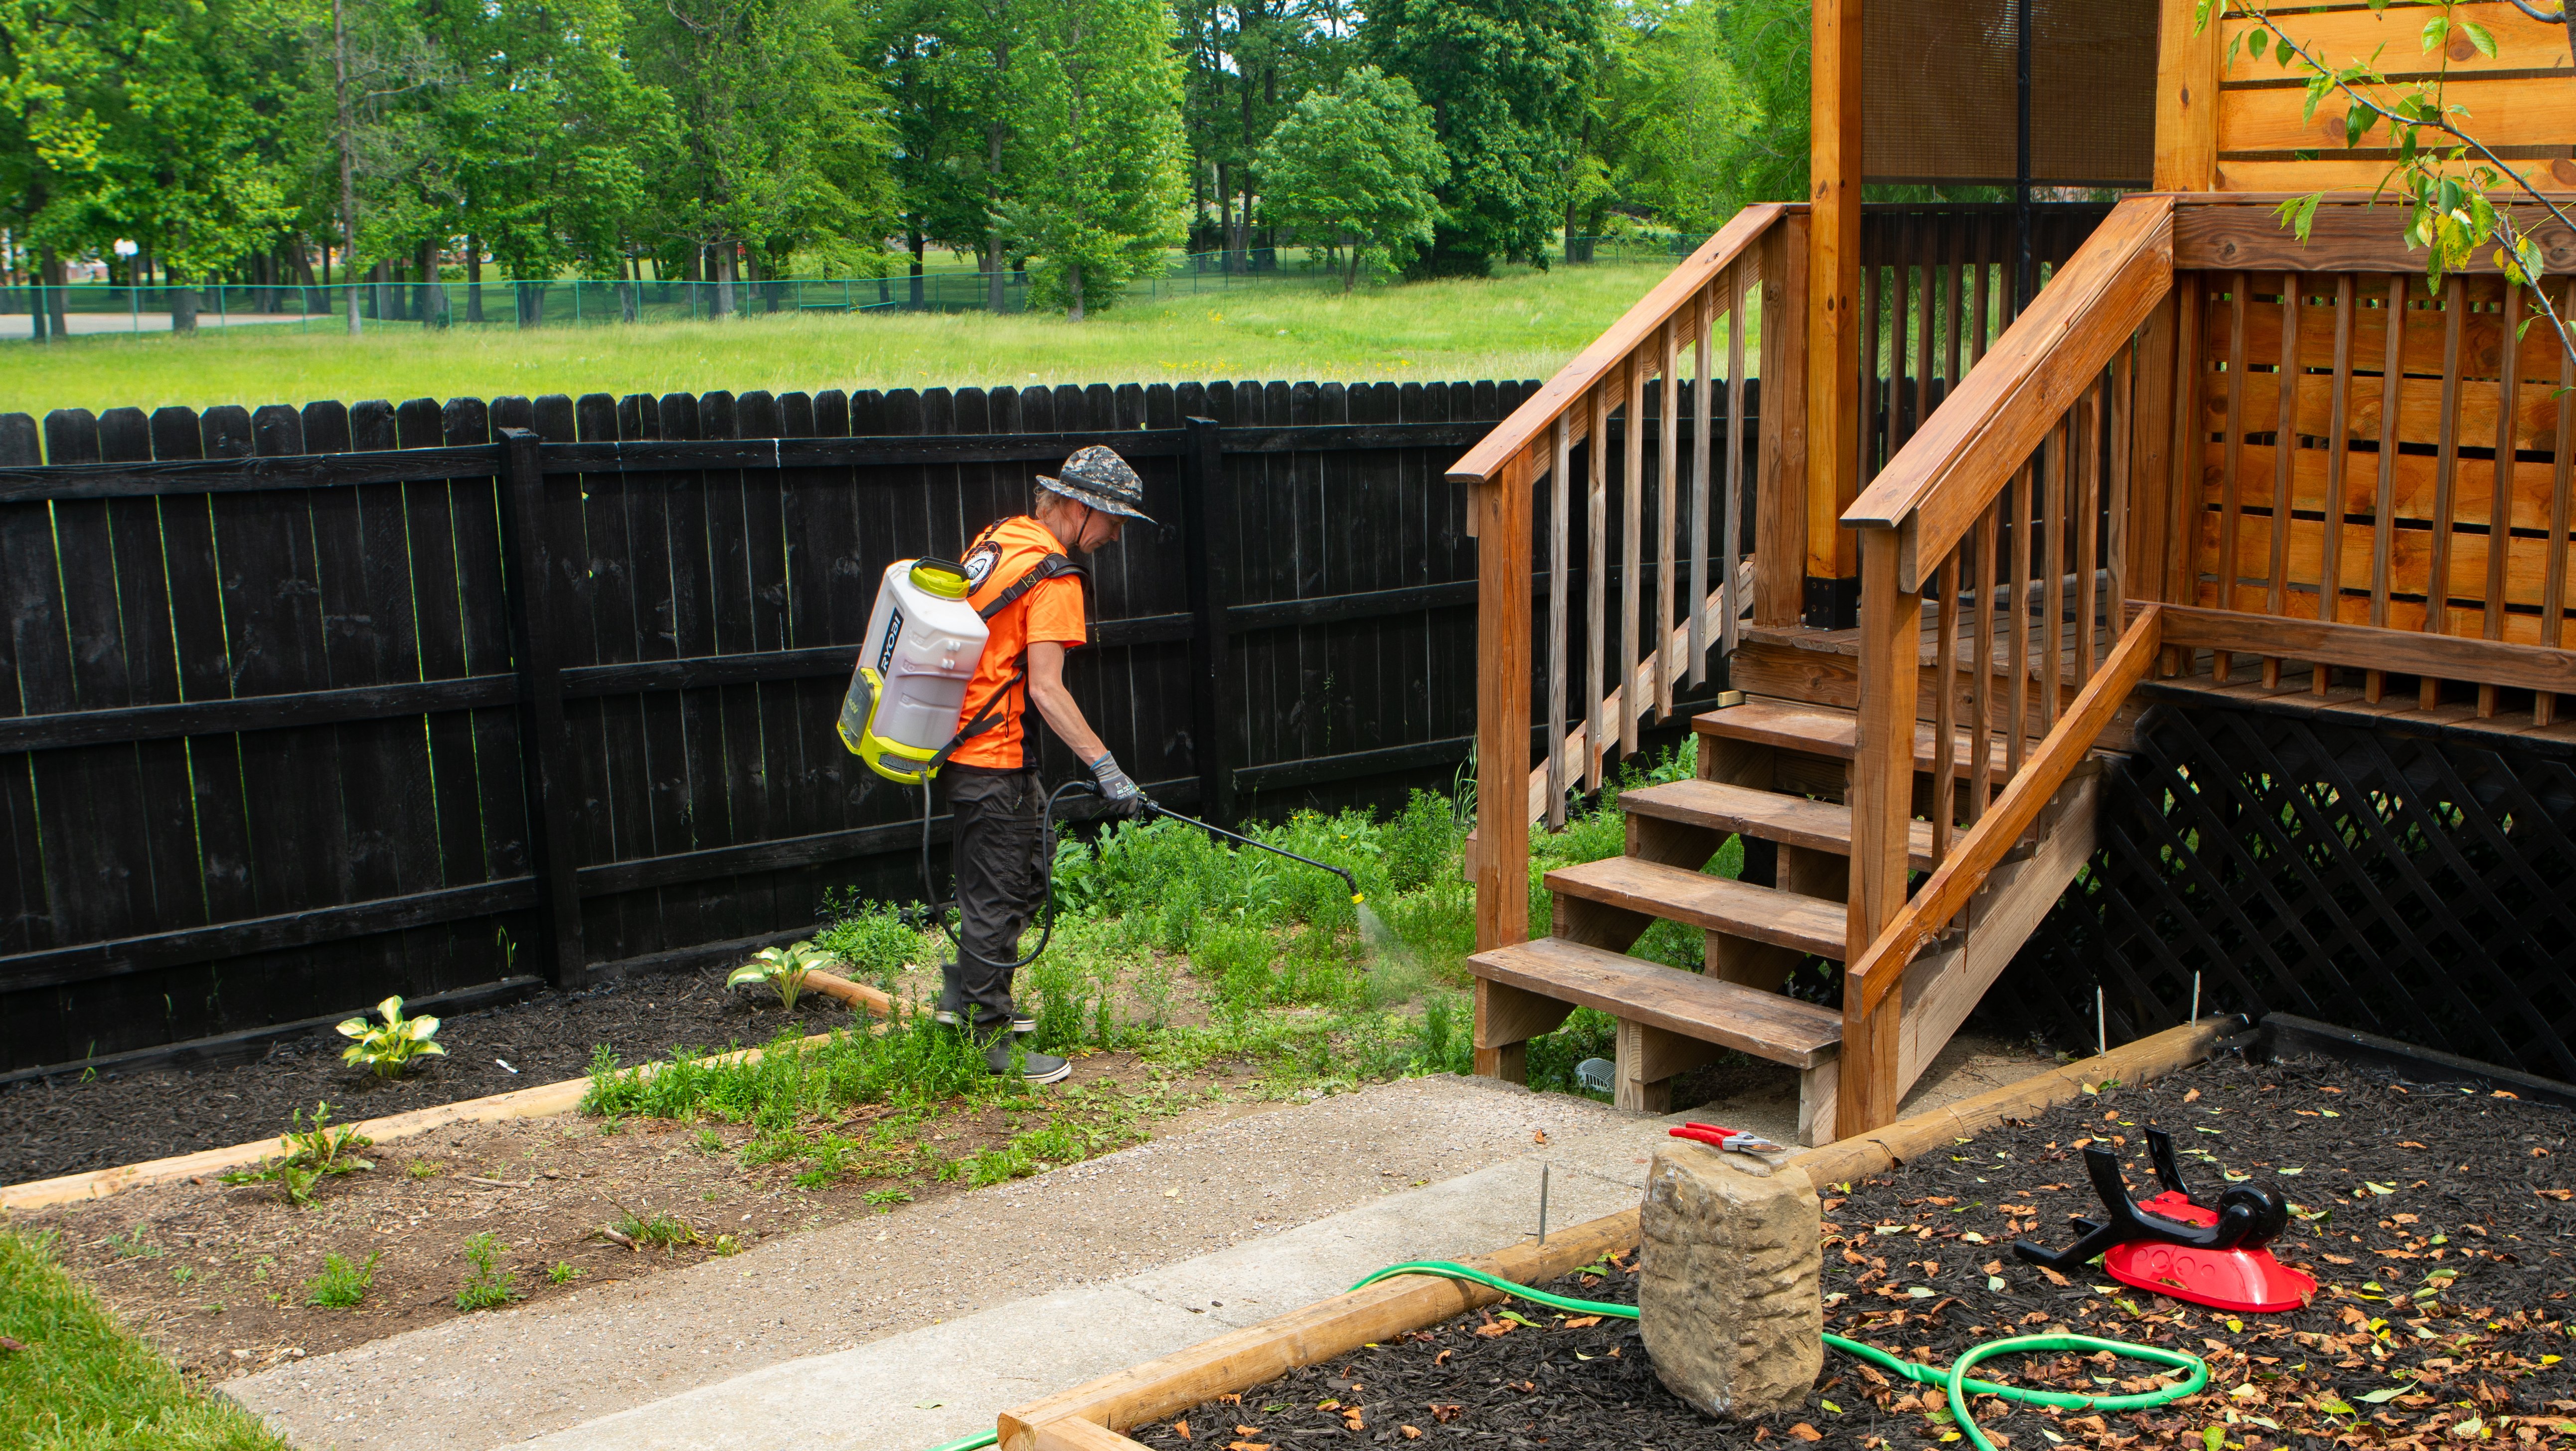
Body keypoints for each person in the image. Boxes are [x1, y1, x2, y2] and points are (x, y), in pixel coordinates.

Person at [937, 445, 1155, 1083]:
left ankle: (965, 995)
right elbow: (1047, 689)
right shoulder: (1054, 577)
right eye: (1112, 521)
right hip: (992, 751)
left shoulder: (1002, 539)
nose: (1115, 535)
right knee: (1000, 890)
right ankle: (986, 1038)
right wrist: (1107, 768)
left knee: (1027, 870)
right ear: (1079, 508)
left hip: (969, 745)